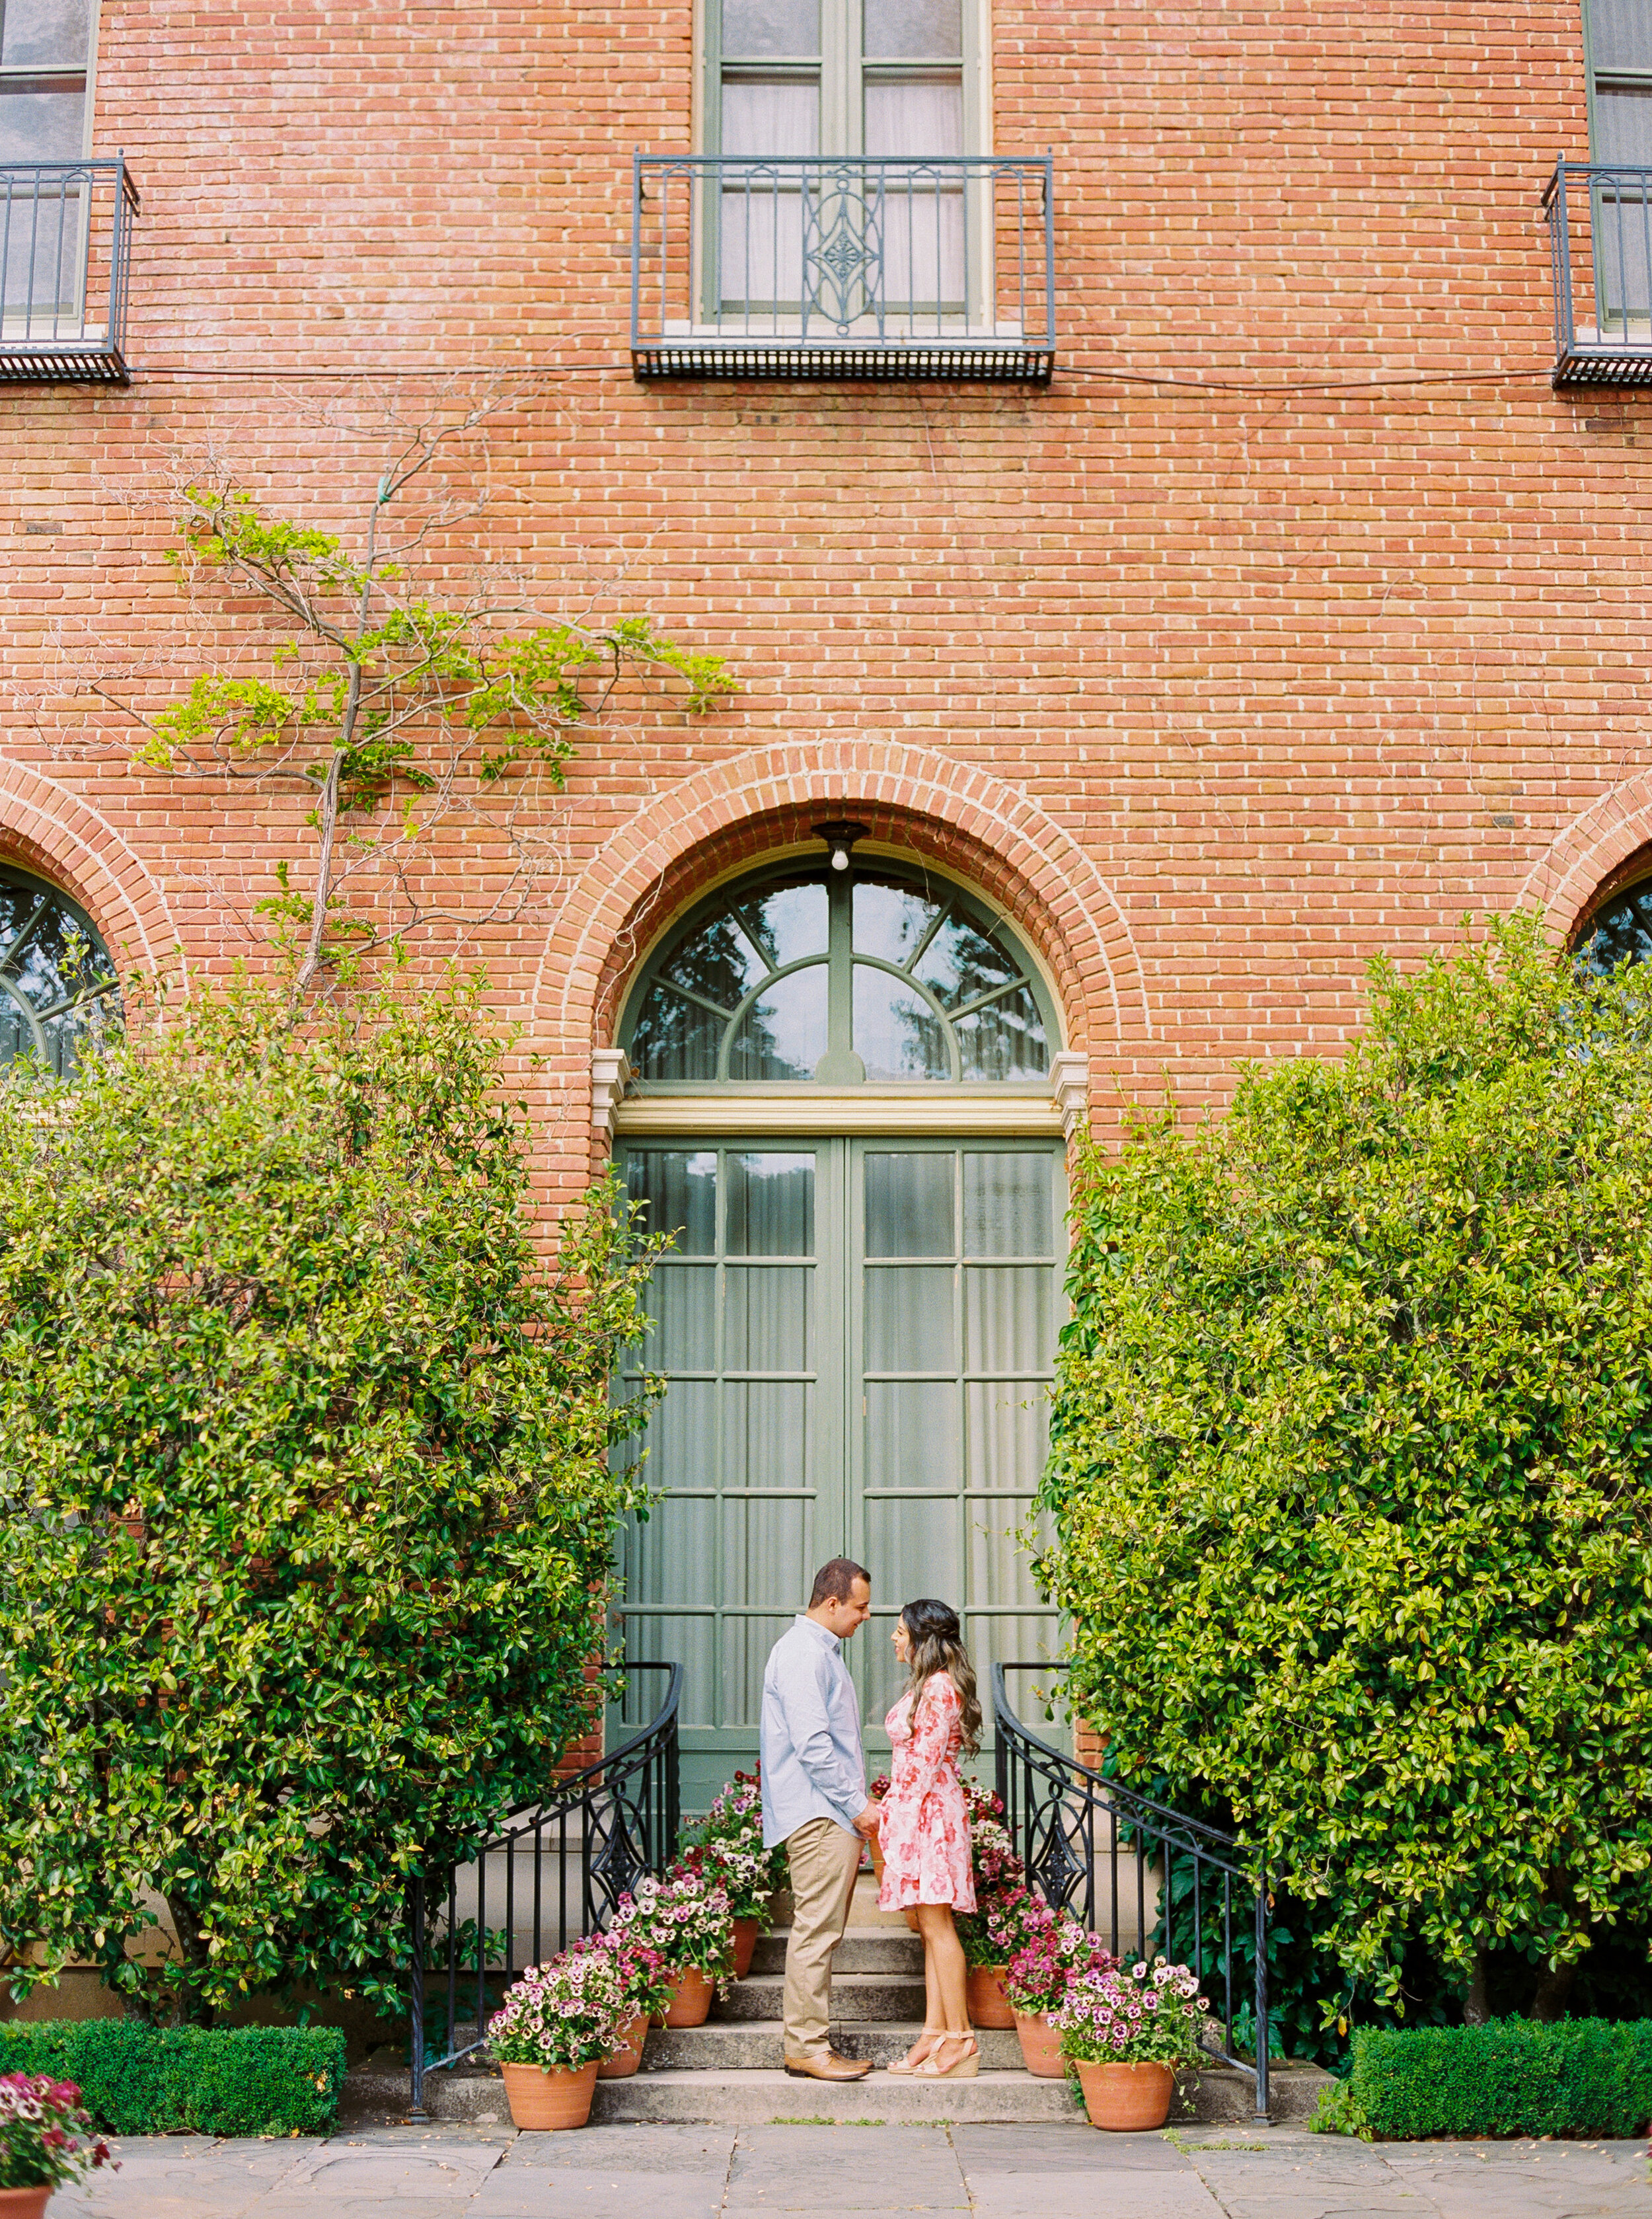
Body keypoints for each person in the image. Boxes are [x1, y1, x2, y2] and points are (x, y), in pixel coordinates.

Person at [759, 1557, 882, 2082]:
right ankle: (807, 2048)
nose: (867, 1616)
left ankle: (811, 2043)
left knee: (823, 1931)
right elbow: (813, 1746)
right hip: (820, 1815)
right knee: (816, 1932)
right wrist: (856, 1806)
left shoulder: (818, 1652)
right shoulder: (802, 1654)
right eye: (860, 1606)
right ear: (832, 1603)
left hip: (829, 1813)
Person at [874, 1597, 982, 2081]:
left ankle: (960, 2037)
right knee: (929, 1928)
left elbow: (923, 1764)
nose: (895, 1638)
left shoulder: (939, 1689)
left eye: (901, 1631)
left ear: (923, 1638)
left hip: (930, 1816)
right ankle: (934, 2032)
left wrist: (893, 1820)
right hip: (924, 1811)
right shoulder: (929, 1685)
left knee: (938, 1927)